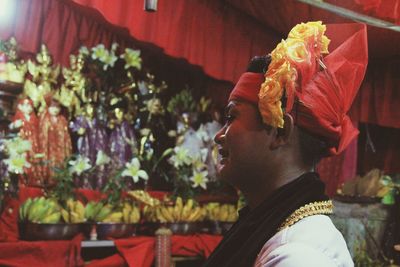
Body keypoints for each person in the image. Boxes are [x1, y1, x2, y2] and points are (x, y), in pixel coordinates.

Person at [203, 21, 368, 267]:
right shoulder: (275, 227)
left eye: (231, 117)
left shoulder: (297, 255)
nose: (219, 135)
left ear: (280, 132)